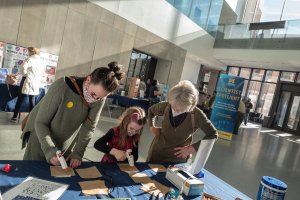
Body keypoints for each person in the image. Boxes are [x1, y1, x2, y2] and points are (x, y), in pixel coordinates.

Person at [21, 61, 124, 168]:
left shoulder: (99, 96)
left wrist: (78, 153)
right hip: (40, 137)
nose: (94, 99)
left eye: (99, 98)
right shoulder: (61, 86)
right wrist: (49, 149)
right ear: (88, 79)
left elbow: (89, 127)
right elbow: (41, 122)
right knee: (33, 170)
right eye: (93, 94)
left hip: (65, 139)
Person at [147, 80, 218, 163]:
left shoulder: (197, 115)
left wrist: (193, 148)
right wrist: (151, 126)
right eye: (173, 106)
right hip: (156, 153)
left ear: (190, 105)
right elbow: (151, 111)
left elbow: (213, 134)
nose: (176, 110)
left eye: (181, 109)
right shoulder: (166, 106)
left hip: (177, 159)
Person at [11, 47, 44, 122]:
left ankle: (15, 116)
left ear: (31, 52)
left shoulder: (29, 59)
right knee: (32, 100)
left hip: (27, 80)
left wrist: (25, 74)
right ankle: (31, 119)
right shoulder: (41, 61)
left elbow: (22, 68)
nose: (27, 53)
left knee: (20, 98)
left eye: (28, 51)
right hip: (35, 82)